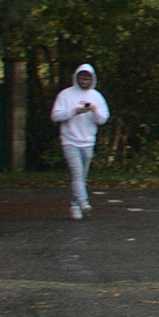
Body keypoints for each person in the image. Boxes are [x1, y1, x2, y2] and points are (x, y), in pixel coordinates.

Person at [51, 63, 110, 219]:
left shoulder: (96, 96)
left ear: (92, 79)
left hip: (88, 141)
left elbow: (103, 119)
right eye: (82, 77)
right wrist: (74, 111)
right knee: (77, 173)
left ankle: (74, 204)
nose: (84, 81)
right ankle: (84, 203)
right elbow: (55, 116)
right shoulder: (66, 95)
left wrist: (94, 110)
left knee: (82, 176)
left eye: (87, 78)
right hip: (69, 140)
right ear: (76, 78)